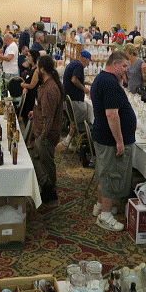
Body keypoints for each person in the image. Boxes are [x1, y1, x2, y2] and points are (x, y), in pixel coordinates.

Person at [90, 51, 136, 232]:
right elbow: (111, 114)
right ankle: (105, 216)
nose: (126, 70)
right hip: (110, 139)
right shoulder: (109, 83)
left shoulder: (104, 79)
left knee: (104, 173)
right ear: (114, 64)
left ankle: (101, 206)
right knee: (110, 175)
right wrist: (120, 141)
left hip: (104, 136)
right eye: (124, 66)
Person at [28, 55, 64, 205]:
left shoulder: (50, 89)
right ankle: (46, 187)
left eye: (37, 67)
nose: (36, 70)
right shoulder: (47, 85)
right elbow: (43, 108)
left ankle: (50, 191)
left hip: (46, 134)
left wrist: (42, 137)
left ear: (42, 69)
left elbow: (48, 117)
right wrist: (35, 112)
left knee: (46, 162)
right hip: (42, 131)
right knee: (39, 159)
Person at [62, 50, 93, 146]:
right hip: (74, 99)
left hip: (69, 98)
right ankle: (73, 142)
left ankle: (69, 141)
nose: (88, 64)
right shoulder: (79, 66)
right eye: (88, 62)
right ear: (86, 60)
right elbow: (74, 80)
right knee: (83, 120)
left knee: (73, 121)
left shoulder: (74, 63)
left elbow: (74, 79)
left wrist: (87, 83)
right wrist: (84, 89)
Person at [19, 49, 41, 123]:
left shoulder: (36, 70)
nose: (27, 57)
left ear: (33, 57)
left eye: (29, 56)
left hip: (32, 96)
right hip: (27, 94)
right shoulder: (30, 67)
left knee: (28, 117)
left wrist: (23, 85)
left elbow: (32, 85)